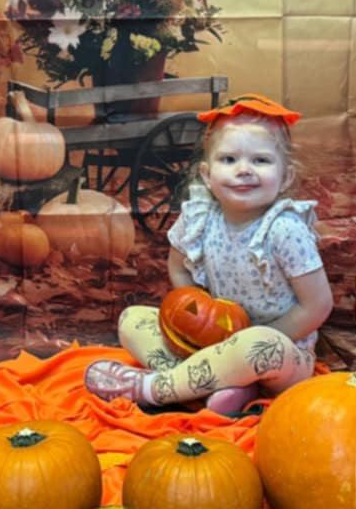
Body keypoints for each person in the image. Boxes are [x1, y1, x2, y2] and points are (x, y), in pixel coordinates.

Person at [84, 94, 333, 414]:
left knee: (258, 346)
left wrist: (242, 344)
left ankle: (156, 388)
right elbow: (178, 267)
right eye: (228, 160)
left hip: (280, 353)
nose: (243, 170)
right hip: (212, 342)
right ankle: (215, 385)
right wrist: (199, 318)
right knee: (132, 320)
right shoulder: (200, 218)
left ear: (285, 177)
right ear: (206, 174)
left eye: (260, 160)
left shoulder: (284, 229)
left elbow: (317, 305)